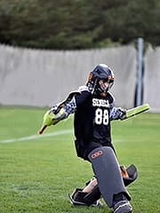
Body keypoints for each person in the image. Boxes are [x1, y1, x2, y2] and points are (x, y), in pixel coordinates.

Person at [39, 64, 138, 213]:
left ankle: (82, 198)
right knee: (109, 168)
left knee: (120, 175)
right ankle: (120, 202)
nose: (106, 85)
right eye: (103, 81)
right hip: (88, 142)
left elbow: (109, 113)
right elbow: (68, 106)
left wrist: (121, 114)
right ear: (94, 79)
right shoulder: (84, 94)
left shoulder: (108, 99)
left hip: (105, 142)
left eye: (109, 82)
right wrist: (57, 114)